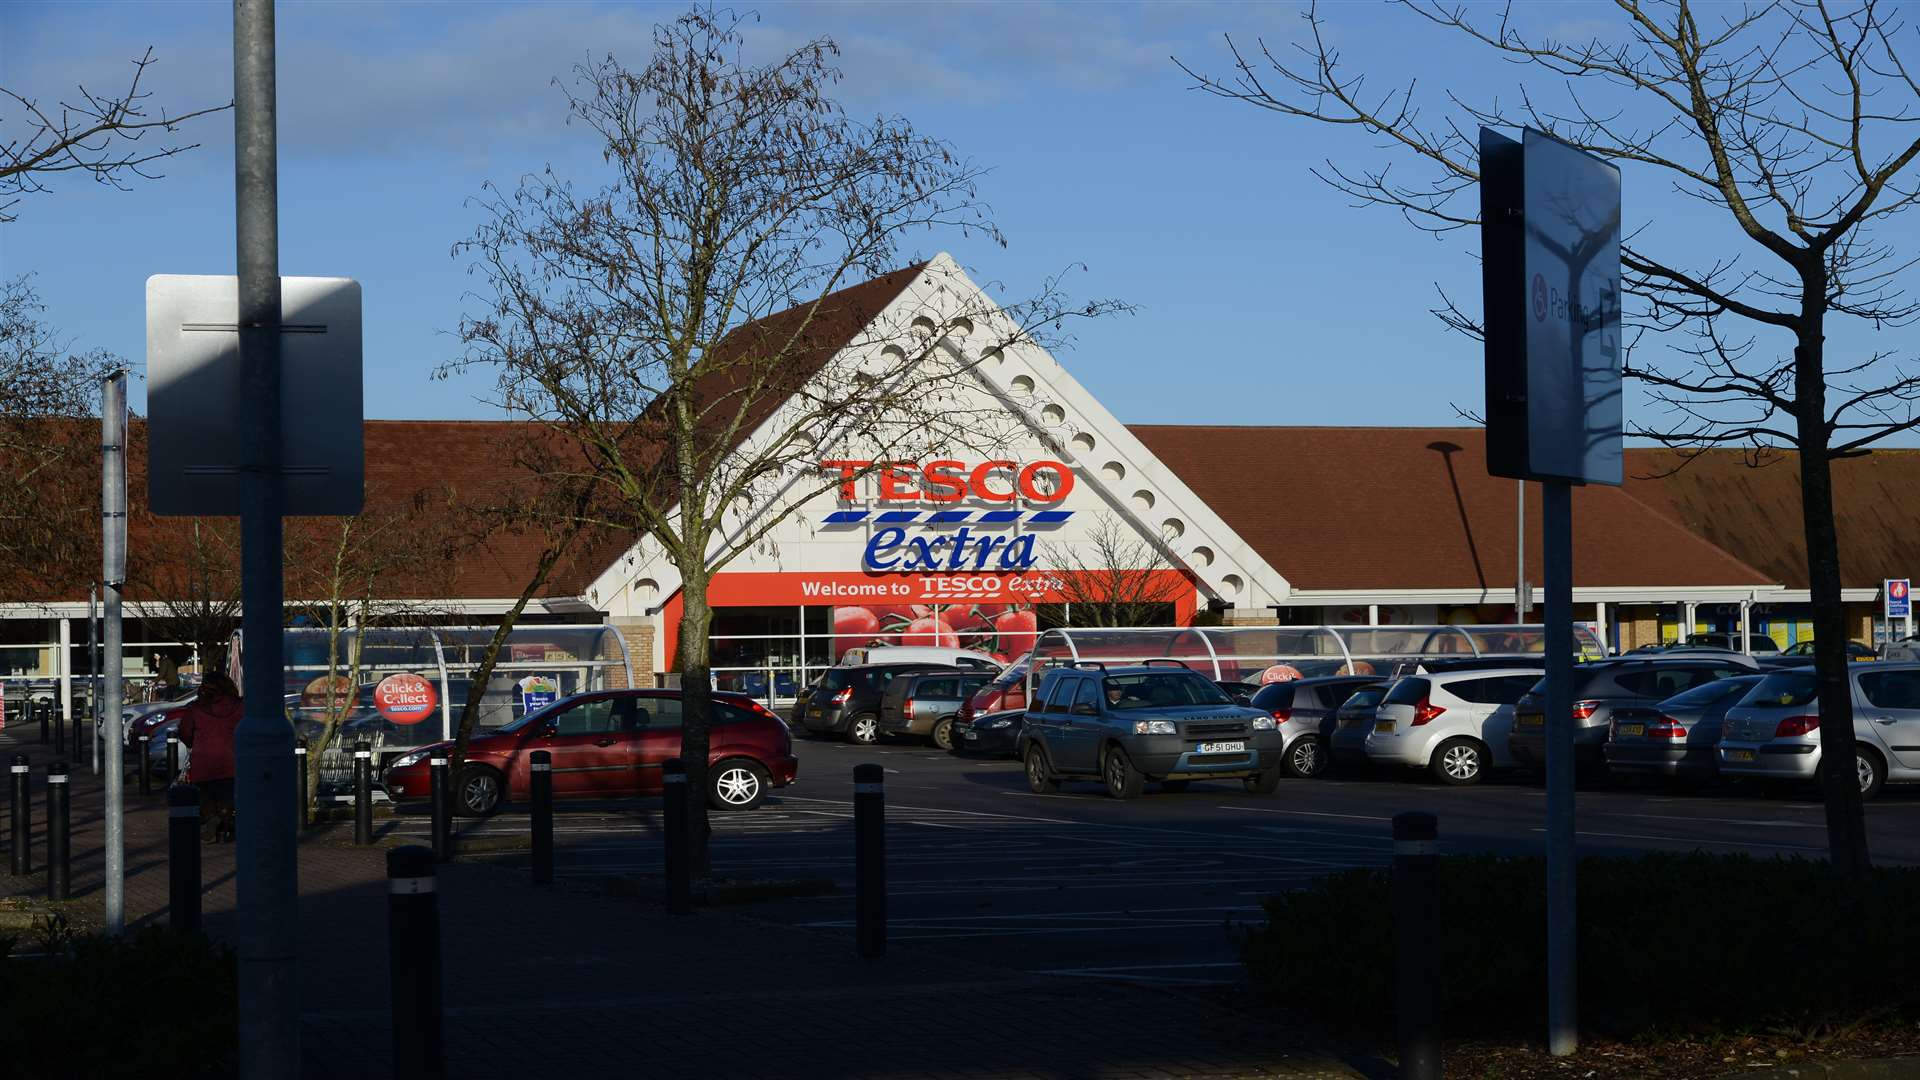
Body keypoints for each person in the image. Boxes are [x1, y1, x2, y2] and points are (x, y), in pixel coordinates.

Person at [178, 671, 242, 843]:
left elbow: (184, 732)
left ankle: (213, 822)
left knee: (206, 798)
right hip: (231, 760)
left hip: (203, 761)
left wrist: (193, 742)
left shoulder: (196, 708)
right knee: (228, 798)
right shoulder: (240, 707)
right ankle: (223, 825)